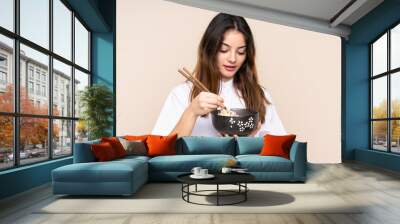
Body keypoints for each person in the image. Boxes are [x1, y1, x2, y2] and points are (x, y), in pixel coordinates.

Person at [152, 13, 286, 138]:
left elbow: (281, 149)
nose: (232, 59)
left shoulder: (260, 95)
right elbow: (161, 150)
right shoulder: (182, 93)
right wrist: (191, 112)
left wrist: (251, 139)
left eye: (240, 52)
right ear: (209, 49)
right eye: (224, 50)